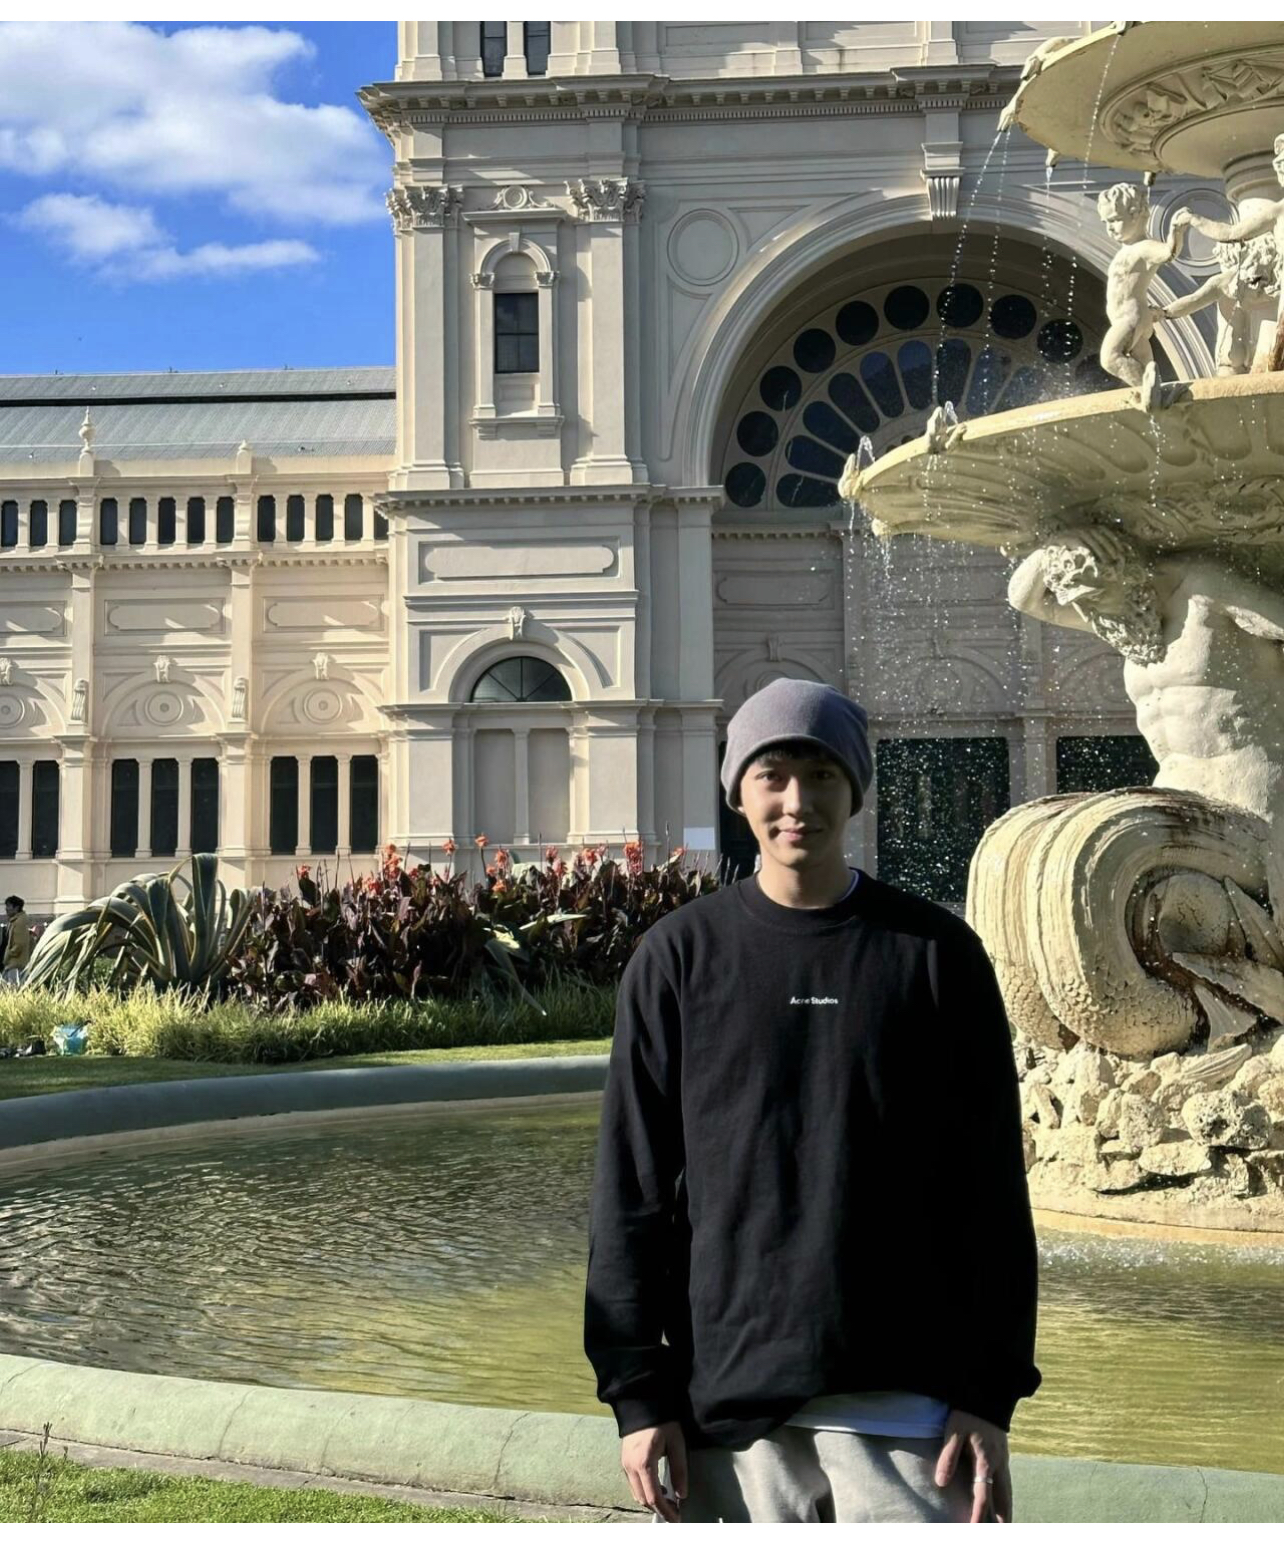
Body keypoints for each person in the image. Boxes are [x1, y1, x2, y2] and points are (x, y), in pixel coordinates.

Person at [583, 677, 1040, 1524]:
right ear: (738, 792)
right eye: (774, 775)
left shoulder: (936, 956)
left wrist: (988, 1393)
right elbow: (632, 1194)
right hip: (728, 1406)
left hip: (912, 1408)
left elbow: (991, 1194)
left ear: (856, 788)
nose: (798, 802)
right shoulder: (678, 959)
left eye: (823, 774)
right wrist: (639, 1396)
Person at [3, 895, 31, 986]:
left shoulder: (19, 922)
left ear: (16, 908)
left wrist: (9, 954)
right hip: (13, 962)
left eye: (9, 906)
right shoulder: (15, 920)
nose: (6, 909)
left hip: (16, 963)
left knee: (13, 987)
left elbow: (19, 944)